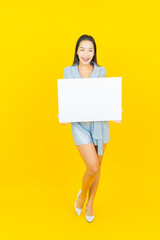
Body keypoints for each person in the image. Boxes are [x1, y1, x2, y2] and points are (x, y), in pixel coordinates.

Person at [58, 34, 122, 222]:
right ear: (77, 51)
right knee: (92, 167)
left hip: (100, 124)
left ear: (94, 52)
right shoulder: (68, 71)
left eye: (90, 50)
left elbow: (105, 97)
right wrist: (62, 113)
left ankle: (91, 203)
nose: (86, 53)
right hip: (79, 125)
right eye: (82, 49)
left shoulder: (101, 71)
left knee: (98, 166)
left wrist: (115, 109)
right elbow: (66, 98)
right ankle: (82, 195)